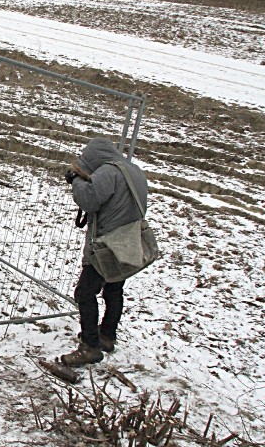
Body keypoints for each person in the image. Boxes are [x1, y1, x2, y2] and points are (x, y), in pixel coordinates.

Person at [61, 137, 148, 367]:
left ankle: (90, 346)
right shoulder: (134, 171)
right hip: (128, 242)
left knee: (85, 293)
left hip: (105, 246)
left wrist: (76, 180)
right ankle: (107, 336)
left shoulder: (108, 172)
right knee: (114, 287)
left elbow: (88, 199)